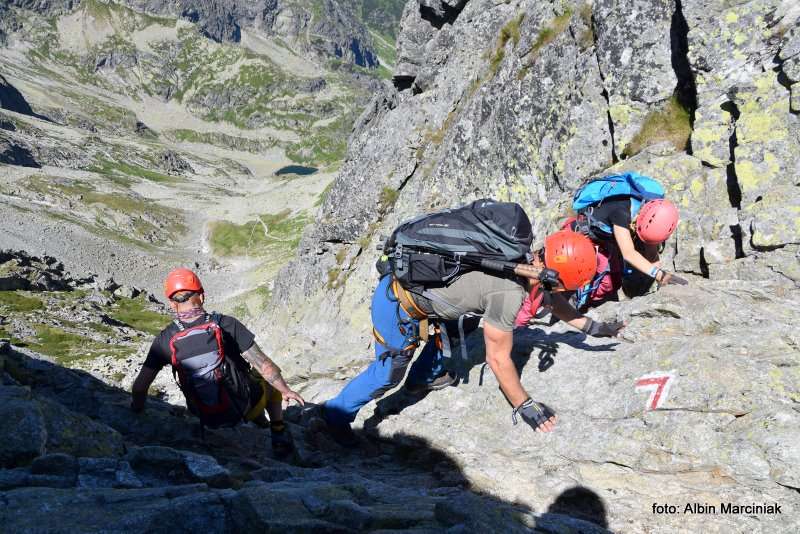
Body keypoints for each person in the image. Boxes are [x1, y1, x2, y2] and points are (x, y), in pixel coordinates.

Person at [320, 229, 625, 447]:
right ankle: (335, 415)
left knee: (463, 326)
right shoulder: (509, 293)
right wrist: (526, 405)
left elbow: (549, 297)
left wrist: (592, 328)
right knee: (387, 373)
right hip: (396, 304)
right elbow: (497, 358)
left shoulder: (520, 253)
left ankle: (423, 377)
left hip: (416, 295)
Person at [130, 268, 304, 457]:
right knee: (268, 382)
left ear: (172, 304)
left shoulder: (165, 339)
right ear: (202, 297)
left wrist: (137, 410)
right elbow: (266, 367)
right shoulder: (226, 324)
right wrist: (286, 391)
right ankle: (277, 430)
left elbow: (140, 388)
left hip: (203, 414)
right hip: (243, 408)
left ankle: (257, 420)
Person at [568, 174, 687, 311]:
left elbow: (651, 251)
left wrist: (660, 281)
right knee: (603, 279)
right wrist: (660, 274)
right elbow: (628, 253)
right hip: (580, 237)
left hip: (607, 236)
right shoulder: (620, 212)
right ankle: (577, 303)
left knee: (614, 277)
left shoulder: (653, 208)